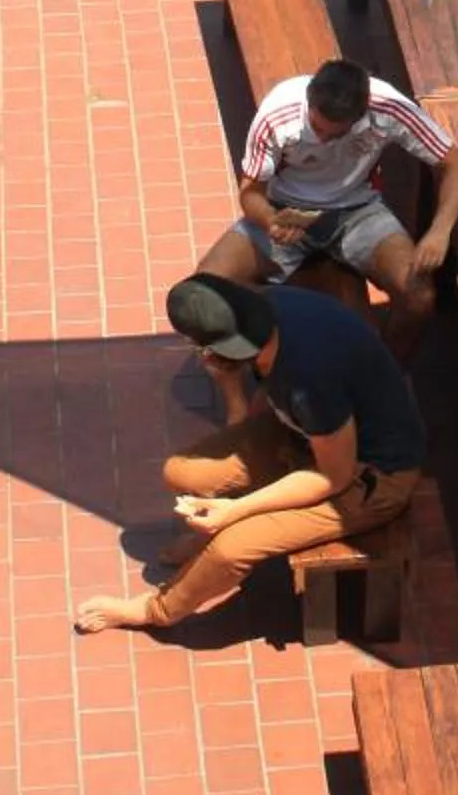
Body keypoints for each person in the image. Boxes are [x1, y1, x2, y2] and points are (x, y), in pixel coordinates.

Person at [73, 272, 424, 635]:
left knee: (231, 549)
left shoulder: (310, 381)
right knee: (181, 472)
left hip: (369, 476)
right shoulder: (264, 311)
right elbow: (267, 398)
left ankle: (154, 610)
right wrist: (233, 393)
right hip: (306, 437)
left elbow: (332, 477)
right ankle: (208, 539)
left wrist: (235, 510)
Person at [195, 55, 458, 347]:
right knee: (208, 286)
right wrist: (270, 221)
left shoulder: (389, 107)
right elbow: (250, 192)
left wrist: (439, 231)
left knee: (419, 297)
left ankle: (385, 365)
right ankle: (267, 344)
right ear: (309, 100)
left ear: (362, 114)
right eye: (317, 127)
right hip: (284, 208)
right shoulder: (277, 115)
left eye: (336, 133)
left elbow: (457, 165)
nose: (323, 139)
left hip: (358, 211)